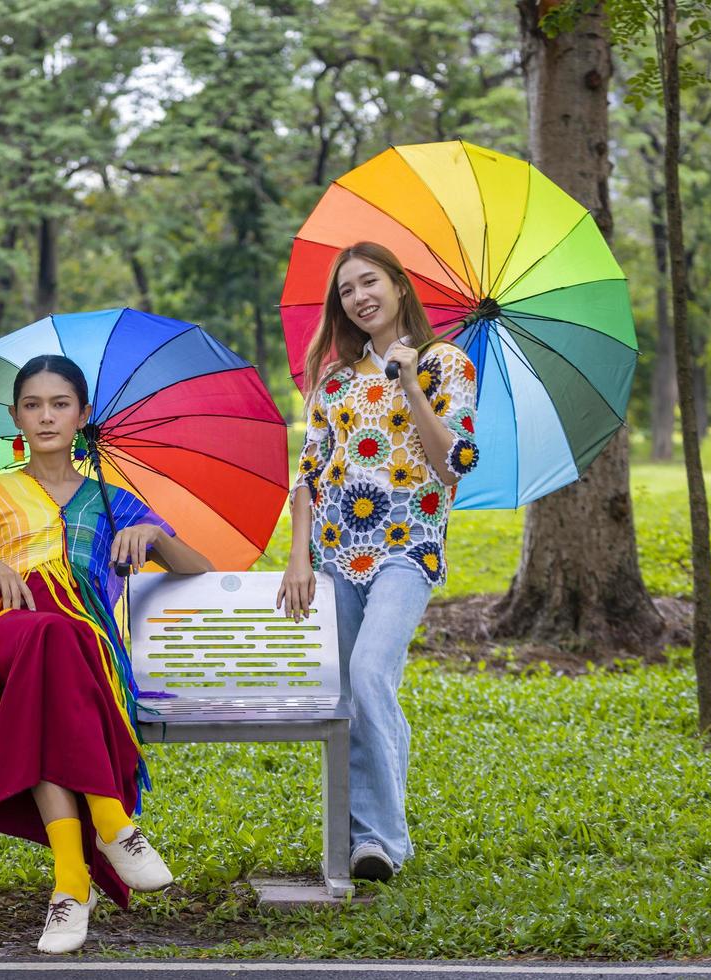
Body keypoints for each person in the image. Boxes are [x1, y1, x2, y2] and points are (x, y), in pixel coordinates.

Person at [0, 354, 213, 953]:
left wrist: (156, 537)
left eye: (60, 405)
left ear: (83, 416)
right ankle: (112, 826)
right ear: (15, 416)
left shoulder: (114, 502)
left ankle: (69, 886)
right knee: (49, 635)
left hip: (90, 659)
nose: (46, 416)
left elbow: (201, 570)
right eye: (33, 405)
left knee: (61, 650)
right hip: (6, 643)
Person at [278, 241, 480, 883]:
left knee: (369, 674)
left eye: (370, 282)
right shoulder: (334, 381)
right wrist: (298, 560)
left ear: (398, 285)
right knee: (352, 693)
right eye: (346, 291)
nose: (360, 297)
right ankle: (361, 838)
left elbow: (456, 464)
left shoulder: (446, 364)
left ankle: (385, 840)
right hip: (336, 553)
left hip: (407, 549)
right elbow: (308, 472)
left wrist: (412, 382)